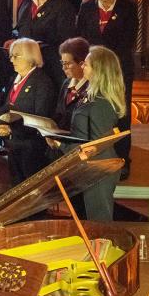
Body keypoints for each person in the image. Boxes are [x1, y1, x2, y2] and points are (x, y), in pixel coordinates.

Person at [76, 0, 137, 178]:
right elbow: (82, 38)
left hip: (118, 70)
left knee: (120, 114)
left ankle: (122, 160)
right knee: (93, 112)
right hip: (92, 70)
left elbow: (128, 42)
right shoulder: (86, 8)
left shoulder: (127, 9)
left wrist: (104, 61)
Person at [58, 46, 128, 221]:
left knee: (99, 225)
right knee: (89, 223)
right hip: (87, 169)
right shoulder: (89, 95)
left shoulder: (101, 102)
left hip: (98, 170)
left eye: (87, 64)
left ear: (99, 70)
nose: (82, 67)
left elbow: (96, 145)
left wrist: (61, 145)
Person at [0, 38, 55, 185]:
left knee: (33, 193)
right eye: (11, 56)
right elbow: (9, 105)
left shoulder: (42, 82)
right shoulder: (15, 79)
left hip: (32, 148)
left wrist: (11, 129)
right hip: (15, 145)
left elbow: (40, 118)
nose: (12, 60)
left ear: (30, 57)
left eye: (16, 56)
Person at [11, 0, 77, 90]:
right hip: (23, 64)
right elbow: (20, 27)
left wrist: (37, 47)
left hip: (47, 67)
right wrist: (13, 39)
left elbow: (65, 44)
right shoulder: (26, 0)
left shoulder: (63, 8)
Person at [54, 37, 90, 131]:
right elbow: (59, 113)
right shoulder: (66, 83)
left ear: (82, 63)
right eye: (62, 63)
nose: (63, 68)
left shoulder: (91, 87)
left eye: (67, 64)